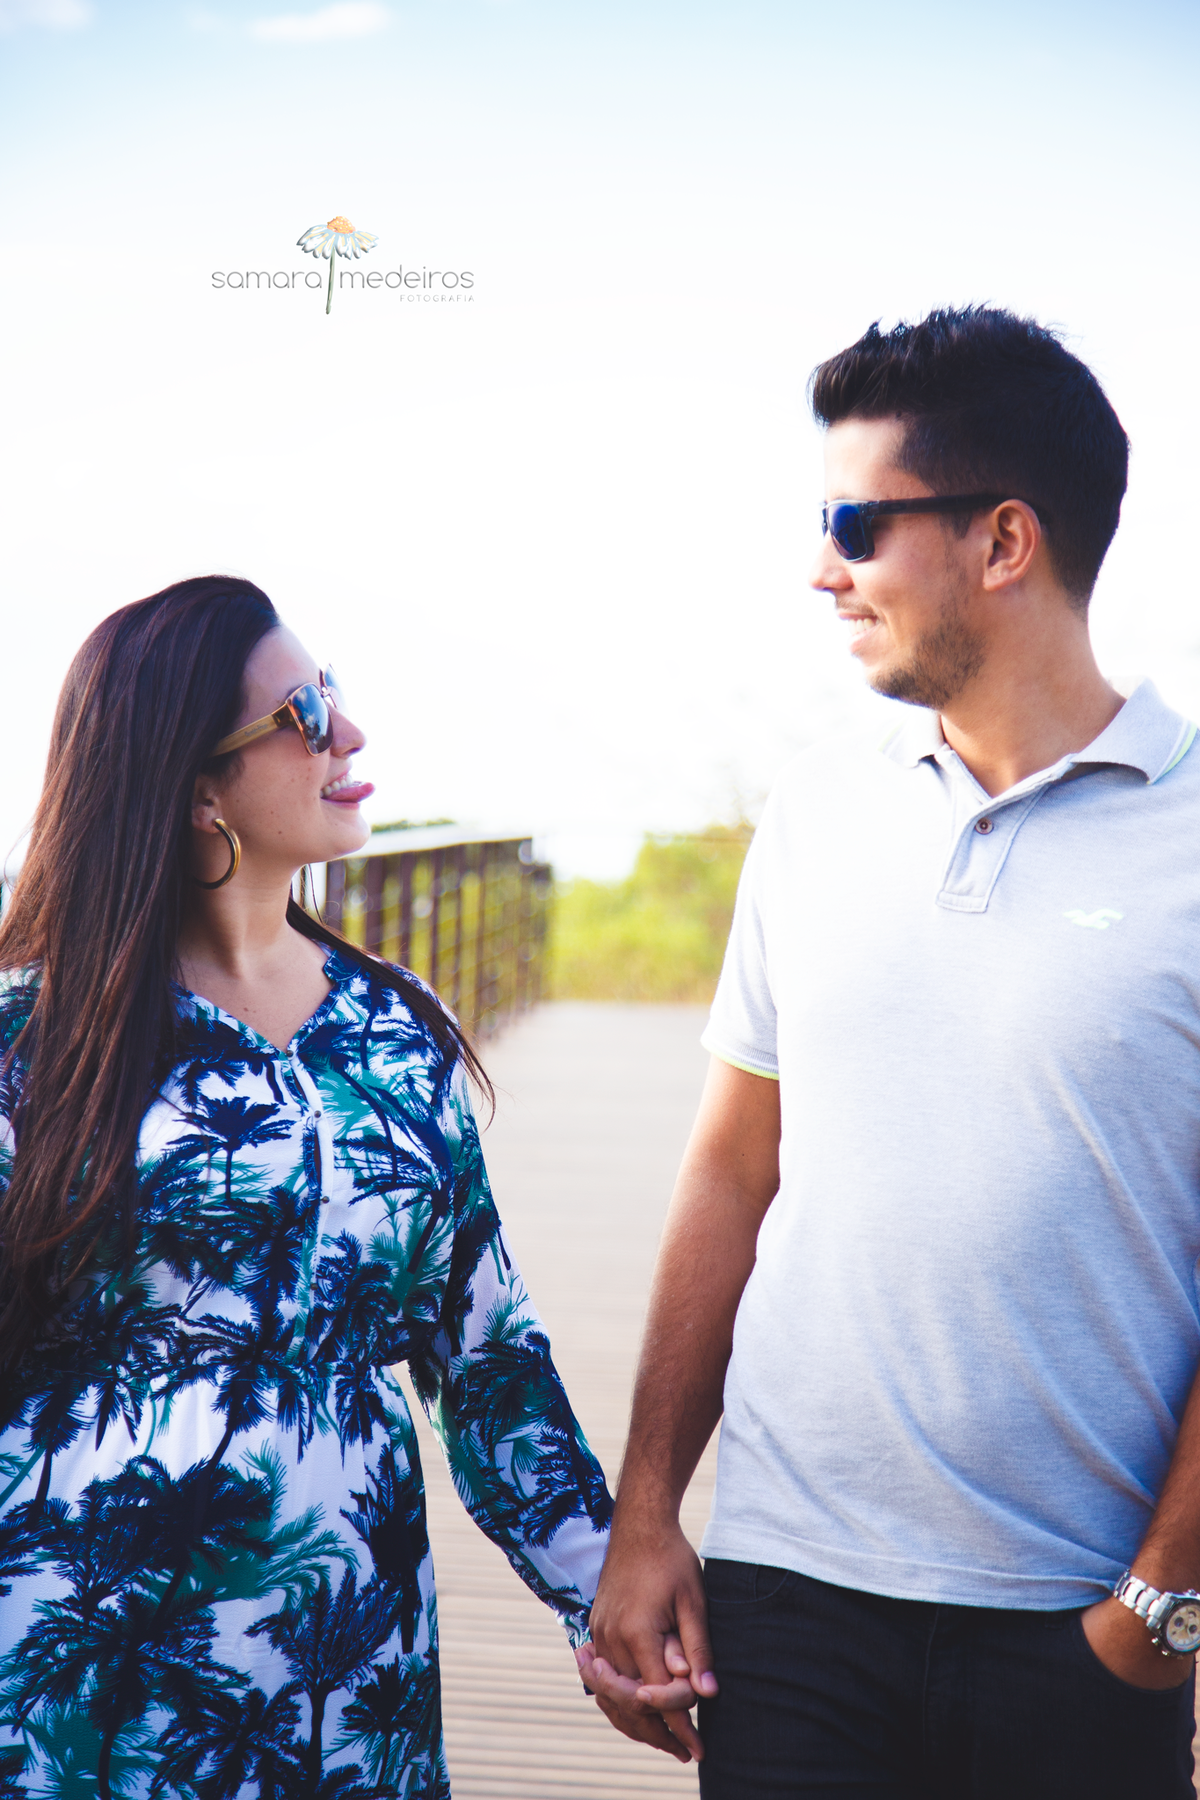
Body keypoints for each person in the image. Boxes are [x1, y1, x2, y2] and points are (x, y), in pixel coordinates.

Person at [582, 307, 1200, 1797]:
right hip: (791, 1609)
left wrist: (1159, 1610)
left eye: (855, 525)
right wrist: (651, 1507)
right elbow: (734, 1168)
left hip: (1078, 1625)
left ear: (1003, 544)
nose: (821, 570)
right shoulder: (816, 810)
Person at [0, 577, 612, 1799]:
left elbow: (485, 1353)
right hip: (87, 1675)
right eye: (304, 711)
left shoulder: (395, 1034)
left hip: (350, 1661)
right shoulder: (33, 1041)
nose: (348, 735)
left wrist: (613, 1593)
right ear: (196, 786)